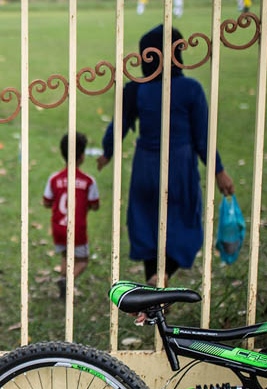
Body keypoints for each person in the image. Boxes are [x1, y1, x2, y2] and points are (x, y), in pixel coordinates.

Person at [97, 25, 235, 287]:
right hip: (179, 167)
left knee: (148, 222)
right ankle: (163, 276)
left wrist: (107, 152)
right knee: (183, 222)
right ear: (177, 54)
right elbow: (203, 138)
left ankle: (154, 278)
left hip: (145, 167)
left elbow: (119, 125)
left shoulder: (136, 90)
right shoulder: (191, 89)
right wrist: (218, 170)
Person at [42, 132, 100, 298]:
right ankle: (67, 280)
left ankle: (64, 285)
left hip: (58, 227)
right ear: (82, 156)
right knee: (82, 261)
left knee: (66, 255)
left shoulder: (54, 179)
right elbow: (95, 205)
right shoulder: (88, 181)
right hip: (77, 229)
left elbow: (46, 202)